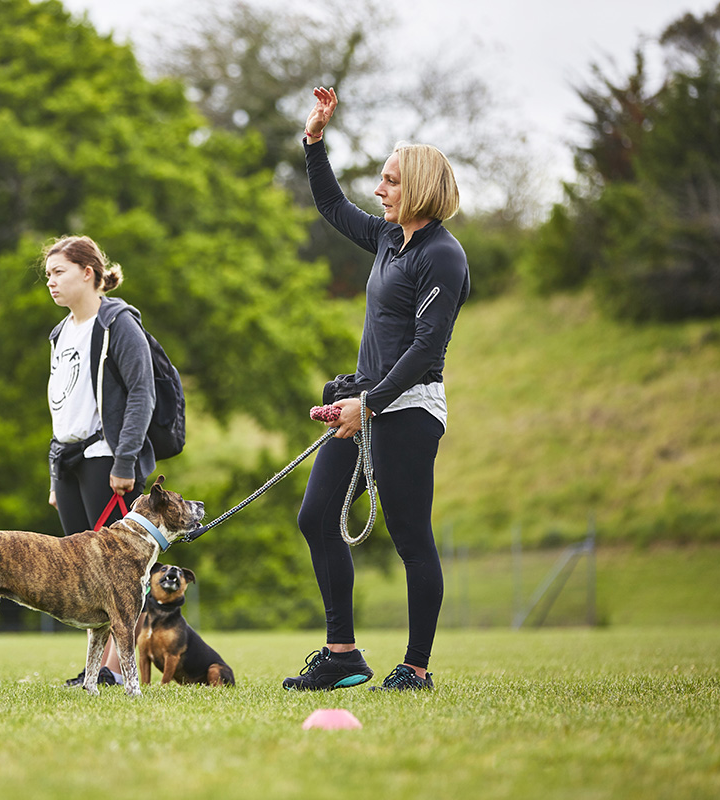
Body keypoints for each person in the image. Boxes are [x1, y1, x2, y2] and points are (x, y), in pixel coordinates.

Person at [285, 87, 470, 692]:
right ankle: (343, 655)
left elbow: (425, 351)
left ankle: (416, 667)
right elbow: (332, 205)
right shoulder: (392, 239)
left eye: (390, 181)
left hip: (409, 407)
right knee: (316, 516)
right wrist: (314, 139)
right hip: (364, 401)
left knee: (411, 537)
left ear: (415, 187)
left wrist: (370, 403)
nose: (380, 190)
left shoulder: (444, 256)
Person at [44, 235, 156, 687]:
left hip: (107, 460)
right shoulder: (59, 332)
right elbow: (61, 406)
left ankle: (112, 668)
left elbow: (141, 396)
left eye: (59, 272)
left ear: (87, 273)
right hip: (68, 461)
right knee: (81, 571)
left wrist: (125, 461)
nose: (50, 282)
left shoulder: (117, 324)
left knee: (119, 573)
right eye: (48, 274)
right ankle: (95, 670)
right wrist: (55, 475)